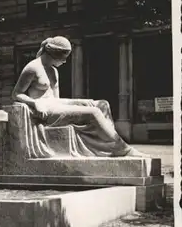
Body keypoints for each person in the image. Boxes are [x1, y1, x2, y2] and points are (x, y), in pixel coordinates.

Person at [11, 36, 146, 157]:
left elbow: (56, 100)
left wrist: (82, 102)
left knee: (102, 104)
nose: (65, 62)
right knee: (93, 112)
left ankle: (108, 144)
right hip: (44, 111)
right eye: (64, 58)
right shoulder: (32, 68)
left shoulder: (53, 71)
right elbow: (16, 94)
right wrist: (34, 103)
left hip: (55, 106)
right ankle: (122, 149)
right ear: (54, 54)